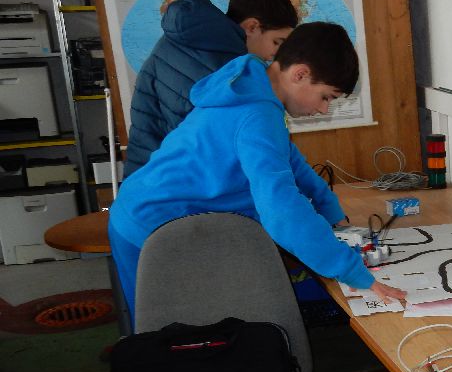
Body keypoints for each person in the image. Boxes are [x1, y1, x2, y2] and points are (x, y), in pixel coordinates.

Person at [108, 22, 406, 321]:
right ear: (300, 74)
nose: (324, 110)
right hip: (150, 226)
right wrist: (353, 272)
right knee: (168, 335)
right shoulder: (257, 114)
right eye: (326, 97)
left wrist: (331, 211)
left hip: (154, 212)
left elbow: (291, 161)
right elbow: (282, 211)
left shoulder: (255, 89)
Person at [123, 0, 299, 177]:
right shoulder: (222, 69)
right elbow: (219, 150)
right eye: (277, 42)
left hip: (146, 173)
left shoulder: (183, 42)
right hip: (171, 183)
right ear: (252, 27)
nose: (276, 55)